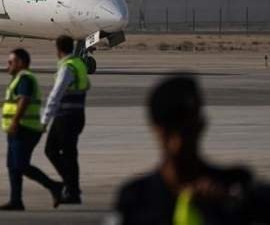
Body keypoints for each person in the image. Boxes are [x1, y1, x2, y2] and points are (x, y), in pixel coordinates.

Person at [107, 75, 270, 225]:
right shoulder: (134, 200)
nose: (178, 142)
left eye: (186, 130)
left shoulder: (237, 190)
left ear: (201, 126)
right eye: (170, 131)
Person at [0, 48, 64, 211]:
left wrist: (15, 121)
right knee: (13, 166)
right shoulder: (19, 78)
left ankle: (54, 186)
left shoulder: (25, 79)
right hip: (17, 129)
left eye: (10, 62)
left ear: (20, 63)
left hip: (25, 128)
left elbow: (24, 100)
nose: (7, 65)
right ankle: (16, 201)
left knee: (20, 165)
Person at [41, 35, 90, 204]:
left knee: (63, 153)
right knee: (58, 152)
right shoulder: (79, 65)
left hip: (66, 118)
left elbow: (55, 95)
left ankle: (73, 190)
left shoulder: (67, 67)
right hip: (76, 114)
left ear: (58, 49)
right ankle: (72, 186)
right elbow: (86, 85)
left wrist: (44, 120)